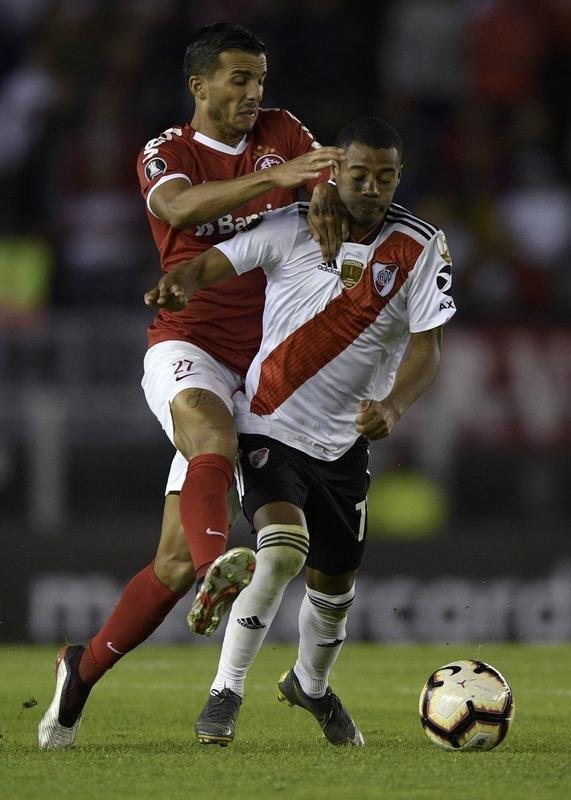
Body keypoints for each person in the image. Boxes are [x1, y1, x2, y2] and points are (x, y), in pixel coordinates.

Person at [37, 22, 347, 751]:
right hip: (187, 343)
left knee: (169, 563)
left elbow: (325, 177)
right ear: (198, 85)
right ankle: (222, 571)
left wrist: (328, 196)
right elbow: (175, 209)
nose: (251, 94)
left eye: (259, 79)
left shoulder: (283, 129)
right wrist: (274, 180)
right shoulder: (166, 151)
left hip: (266, 365)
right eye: (237, 79)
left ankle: (80, 670)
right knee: (208, 436)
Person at [144, 116, 457, 747]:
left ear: (400, 177)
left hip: (344, 441)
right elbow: (214, 263)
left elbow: (428, 348)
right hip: (266, 425)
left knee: (333, 586)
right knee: (282, 548)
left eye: (385, 176)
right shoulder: (291, 228)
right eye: (359, 173)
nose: (371, 187)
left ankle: (310, 686)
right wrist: (180, 282)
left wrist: (394, 408)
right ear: (334, 171)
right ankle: (225, 692)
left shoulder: (420, 247)